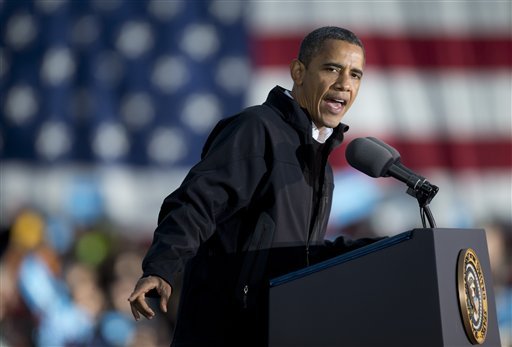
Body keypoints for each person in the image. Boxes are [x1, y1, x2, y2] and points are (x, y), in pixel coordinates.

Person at [128, 26, 379, 346]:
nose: (345, 83)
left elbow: (296, 256)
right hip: (224, 333)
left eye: (355, 75)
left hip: (275, 334)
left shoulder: (320, 165)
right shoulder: (257, 130)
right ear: (298, 72)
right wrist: (160, 268)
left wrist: (386, 249)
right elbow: (196, 203)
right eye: (332, 68)